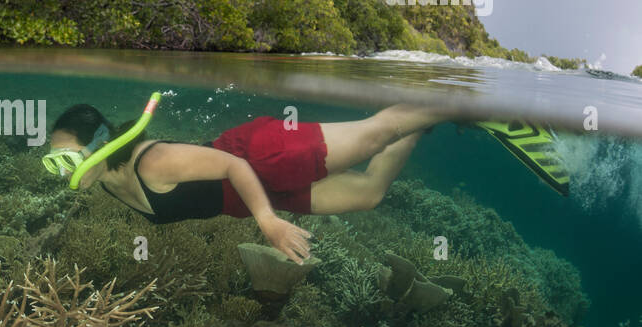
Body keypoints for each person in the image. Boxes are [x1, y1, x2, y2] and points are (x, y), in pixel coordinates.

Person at [44, 101, 451, 264]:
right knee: (369, 194)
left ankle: (458, 102)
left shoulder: (153, 163)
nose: (62, 172)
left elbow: (232, 166)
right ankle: (424, 122)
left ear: (98, 145)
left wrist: (268, 222)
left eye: (65, 159)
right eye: (53, 164)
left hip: (258, 157)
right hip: (253, 193)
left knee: (373, 136)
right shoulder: (105, 182)